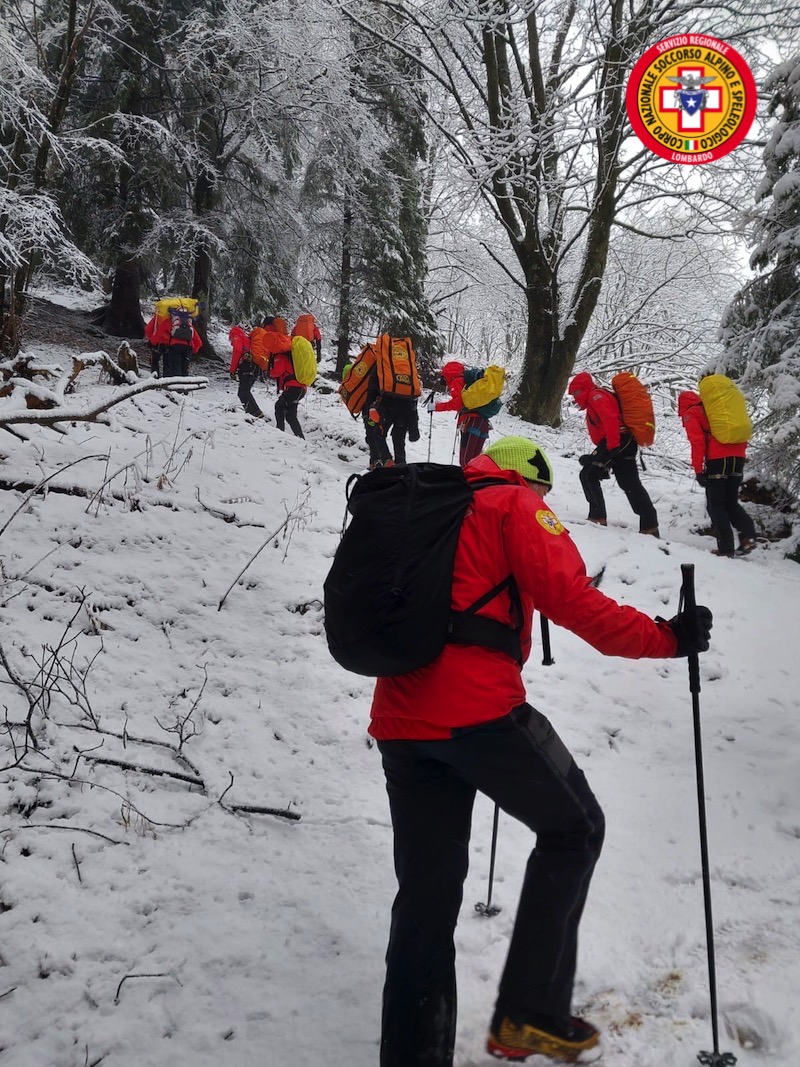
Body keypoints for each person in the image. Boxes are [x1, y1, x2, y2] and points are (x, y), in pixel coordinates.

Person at [369, 435, 712, 1067]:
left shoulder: (431, 508)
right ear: (530, 478)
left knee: (425, 897)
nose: (547, 502)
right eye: (547, 491)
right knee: (576, 828)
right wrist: (668, 640)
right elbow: (574, 600)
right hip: (477, 710)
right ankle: (529, 1013)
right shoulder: (514, 505)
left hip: (400, 719)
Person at [568, 371, 659, 536]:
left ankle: (597, 517)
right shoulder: (598, 396)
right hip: (622, 441)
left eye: (576, 392)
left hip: (619, 440)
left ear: (584, 388)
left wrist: (613, 448)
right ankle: (649, 525)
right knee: (628, 482)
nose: (575, 397)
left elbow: (610, 420)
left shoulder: (596, 396)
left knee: (589, 474)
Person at [678, 389, 757, 557]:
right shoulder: (714, 410)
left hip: (718, 461)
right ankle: (748, 537)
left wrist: (698, 470)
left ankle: (726, 548)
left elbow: (697, 442)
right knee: (730, 502)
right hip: (738, 458)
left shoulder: (692, 413)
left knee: (715, 505)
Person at [434, 360, 501, 468]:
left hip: (471, 422)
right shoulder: (468, 381)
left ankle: (469, 484)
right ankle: (477, 483)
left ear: (447, 374)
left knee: (466, 462)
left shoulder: (456, 381)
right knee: (475, 461)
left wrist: (436, 407)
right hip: (483, 423)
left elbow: (457, 404)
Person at [264, 316, 305, 438]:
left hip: (293, 388)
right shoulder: (288, 353)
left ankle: (279, 433)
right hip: (300, 388)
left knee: (279, 406)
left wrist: (269, 372)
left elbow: (278, 371)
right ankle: (300, 439)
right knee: (291, 416)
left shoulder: (280, 355)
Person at [144, 306, 202, 377]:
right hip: (187, 347)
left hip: (172, 346)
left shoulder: (166, 321)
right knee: (184, 368)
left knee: (174, 367)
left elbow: (154, 332)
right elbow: (198, 342)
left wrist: (152, 342)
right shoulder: (189, 325)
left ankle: (159, 380)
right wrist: (193, 351)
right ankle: (184, 385)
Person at [228, 324, 264, 419]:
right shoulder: (246, 339)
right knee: (245, 391)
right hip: (255, 367)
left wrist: (232, 370)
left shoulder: (238, 337)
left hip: (248, 366)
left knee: (243, 392)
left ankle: (255, 414)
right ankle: (254, 413)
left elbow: (237, 352)